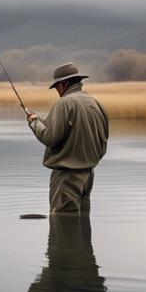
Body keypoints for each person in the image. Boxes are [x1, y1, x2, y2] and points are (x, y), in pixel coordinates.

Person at [25, 63, 109, 214]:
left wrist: (33, 123)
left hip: (66, 179)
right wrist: (38, 119)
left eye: (57, 86)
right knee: (82, 230)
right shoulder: (96, 104)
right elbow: (103, 142)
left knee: (64, 228)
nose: (57, 91)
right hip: (88, 176)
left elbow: (50, 138)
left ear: (64, 84)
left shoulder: (64, 103)